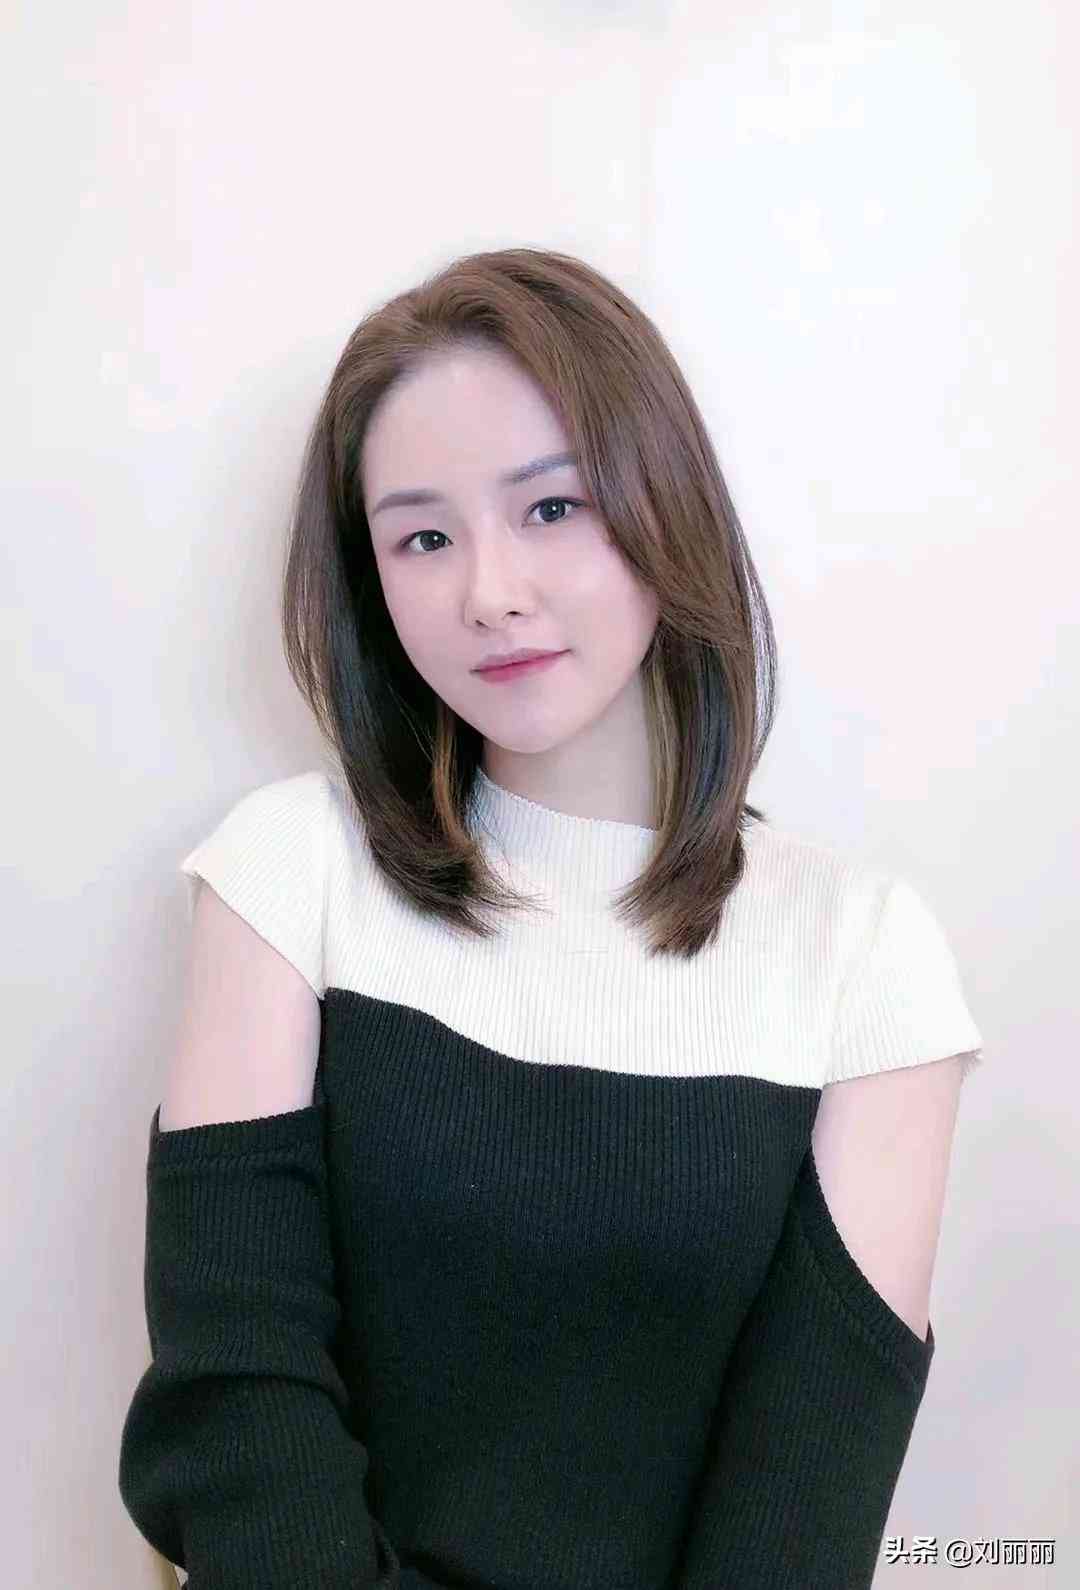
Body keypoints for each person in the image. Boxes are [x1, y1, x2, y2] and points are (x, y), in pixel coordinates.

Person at [117, 247, 985, 1589]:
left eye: (553, 507)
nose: (490, 591)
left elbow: (798, 1527)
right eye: (423, 537)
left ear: (663, 503)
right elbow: (238, 1402)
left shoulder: (864, 956)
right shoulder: (290, 871)